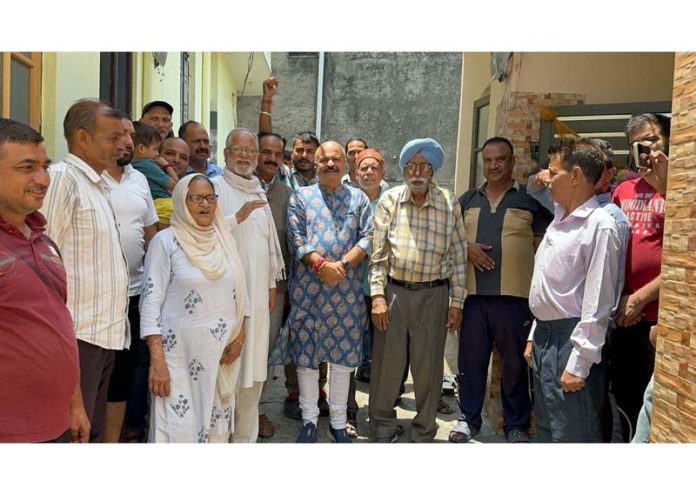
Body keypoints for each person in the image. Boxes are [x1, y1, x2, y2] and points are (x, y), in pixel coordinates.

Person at [40, 99, 131, 442]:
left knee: (90, 433)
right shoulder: (63, 179)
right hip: (78, 335)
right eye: (112, 137)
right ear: (82, 138)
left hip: (104, 335)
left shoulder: (97, 185)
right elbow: (43, 261)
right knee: (73, 434)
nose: (121, 144)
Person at [450, 137, 551, 444]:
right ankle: (468, 418)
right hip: (474, 298)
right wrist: (466, 247)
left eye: (500, 160)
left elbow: (544, 247)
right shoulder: (467, 200)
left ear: (511, 163)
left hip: (516, 299)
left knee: (515, 364)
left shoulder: (529, 201)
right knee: (471, 362)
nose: (494, 166)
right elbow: (449, 240)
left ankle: (516, 424)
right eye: (489, 160)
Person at [369, 137, 467, 443]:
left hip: (434, 296)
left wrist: (457, 302)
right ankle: (383, 426)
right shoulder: (390, 200)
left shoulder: (449, 202)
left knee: (429, 367)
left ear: (434, 169)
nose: (417, 171)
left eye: (424, 165)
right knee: (388, 364)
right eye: (411, 165)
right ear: (404, 169)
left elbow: (459, 254)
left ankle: (424, 429)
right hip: (394, 293)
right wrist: (377, 296)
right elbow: (378, 254)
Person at [525, 136, 621, 442]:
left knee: (571, 435)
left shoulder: (600, 225)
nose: (547, 180)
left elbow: (598, 302)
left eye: (554, 173)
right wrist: (533, 336)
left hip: (571, 342)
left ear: (576, 175)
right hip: (545, 339)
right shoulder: (559, 219)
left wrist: (578, 365)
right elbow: (548, 287)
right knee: (547, 429)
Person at [140, 174, 249, 443]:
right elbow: (151, 302)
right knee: (177, 430)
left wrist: (240, 337)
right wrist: (157, 362)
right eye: (196, 198)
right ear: (181, 201)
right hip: (177, 360)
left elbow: (240, 290)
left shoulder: (223, 239)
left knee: (216, 433)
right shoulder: (165, 242)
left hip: (220, 357)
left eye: (210, 197)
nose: (205, 204)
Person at [0, 118, 89, 443]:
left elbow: (58, 323)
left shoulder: (43, 239)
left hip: (57, 425)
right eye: (27, 168)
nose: (42, 179)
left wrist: (75, 403)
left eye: (44, 166)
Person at [286, 140, 373, 443]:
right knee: (307, 357)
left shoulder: (359, 199)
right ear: (316, 163)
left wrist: (343, 267)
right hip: (308, 291)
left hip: (346, 292)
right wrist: (321, 264)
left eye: (336, 159)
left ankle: (338, 422)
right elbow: (296, 239)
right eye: (324, 159)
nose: (331, 164)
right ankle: (309, 420)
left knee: (342, 359)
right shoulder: (301, 196)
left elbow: (367, 237)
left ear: (345, 165)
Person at [213, 128, 285, 443]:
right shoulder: (212, 187)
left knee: (252, 376)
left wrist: (270, 285)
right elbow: (203, 236)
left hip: (258, 296)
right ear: (226, 154)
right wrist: (236, 217)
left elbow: (268, 245)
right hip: (222, 297)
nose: (244, 155)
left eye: (249, 151)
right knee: (223, 374)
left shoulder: (258, 191)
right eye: (237, 149)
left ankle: (245, 441)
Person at [609, 113, 669, 441]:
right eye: (640, 142)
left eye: (654, 139)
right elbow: (614, 251)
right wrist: (622, 298)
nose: (648, 147)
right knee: (628, 399)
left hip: (661, 319)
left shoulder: (679, 189)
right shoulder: (623, 190)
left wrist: (641, 296)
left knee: (658, 406)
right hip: (625, 316)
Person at [102, 115, 159, 443]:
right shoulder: (87, 179)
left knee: (132, 368)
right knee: (100, 369)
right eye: (119, 135)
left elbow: (150, 233)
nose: (126, 141)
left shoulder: (138, 179)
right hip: (99, 295)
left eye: (129, 135)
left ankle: (128, 431)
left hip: (136, 294)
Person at [345, 148, 390, 438]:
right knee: (348, 354)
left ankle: (379, 414)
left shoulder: (394, 201)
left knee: (383, 355)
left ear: (382, 172)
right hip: (350, 288)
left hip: (382, 291)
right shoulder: (349, 199)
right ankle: (348, 412)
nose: (369, 173)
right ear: (356, 172)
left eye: (374, 168)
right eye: (364, 168)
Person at [254, 131, 293, 439]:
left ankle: (259, 410)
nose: (270, 158)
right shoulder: (233, 187)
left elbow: (291, 245)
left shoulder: (287, 195)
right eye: (264, 151)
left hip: (274, 291)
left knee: (265, 353)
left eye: (277, 154)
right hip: (236, 287)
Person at [131, 121, 178, 228]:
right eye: (155, 149)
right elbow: (176, 186)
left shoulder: (130, 166)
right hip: (164, 206)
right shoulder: (148, 165)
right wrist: (167, 166)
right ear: (141, 148)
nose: (157, 154)